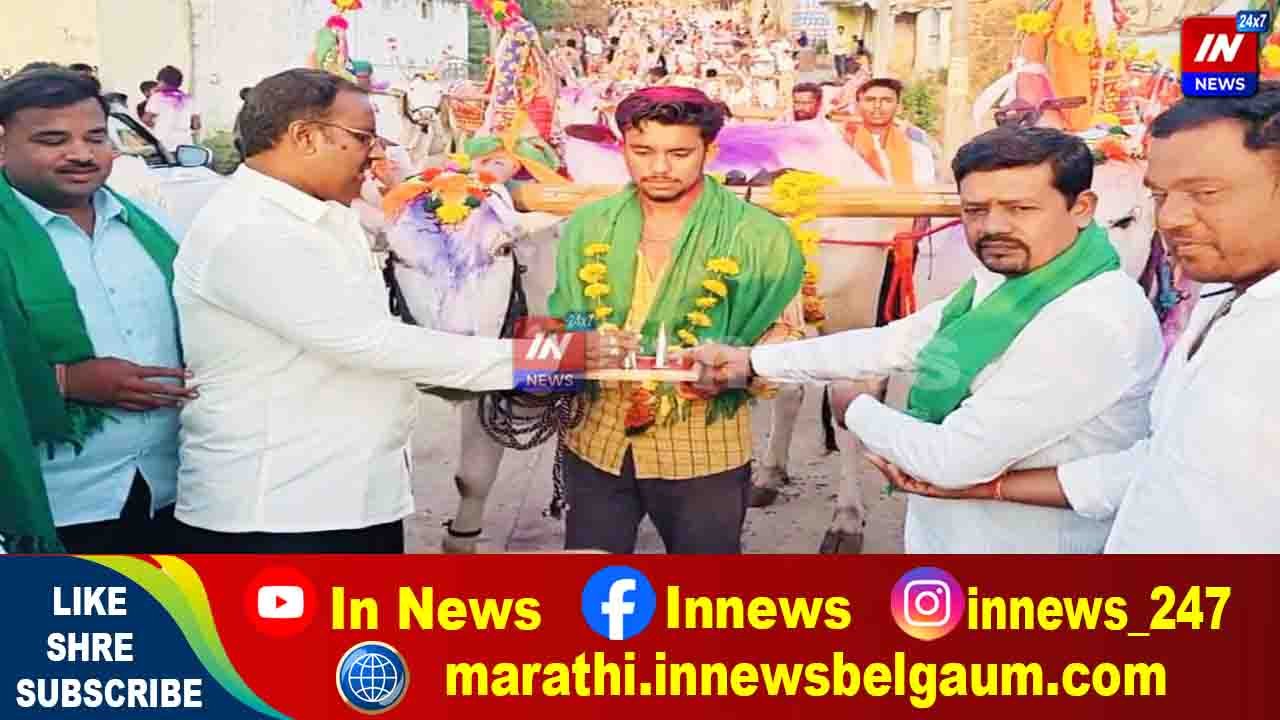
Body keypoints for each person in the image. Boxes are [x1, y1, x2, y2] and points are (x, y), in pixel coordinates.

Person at [171, 69, 628, 554]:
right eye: (362, 137)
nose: (376, 154)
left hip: (352, 497)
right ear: (304, 137)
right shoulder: (252, 229)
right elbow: (371, 343)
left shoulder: (327, 215)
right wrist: (550, 358)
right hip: (278, 512)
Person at [690, 126, 1164, 553]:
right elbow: (898, 341)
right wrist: (752, 361)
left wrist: (854, 407)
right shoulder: (1011, 282)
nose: (993, 227)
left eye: (1021, 209)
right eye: (975, 210)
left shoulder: (1089, 317)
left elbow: (952, 461)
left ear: (1082, 209)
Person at [868, 85, 1280, 553]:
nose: (1171, 219)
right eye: (1161, 196)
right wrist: (992, 488)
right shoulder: (1220, 299)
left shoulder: (1103, 317)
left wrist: (855, 405)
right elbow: (1162, 463)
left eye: (1205, 193)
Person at [547, 88, 806, 554]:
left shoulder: (760, 236)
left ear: (711, 151)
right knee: (591, 589)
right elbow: (569, 315)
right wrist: (577, 346)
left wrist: (739, 369)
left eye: (679, 153)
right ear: (622, 148)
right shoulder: (588, 225)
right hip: (597, 443)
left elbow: (788, 337)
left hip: (703, 449)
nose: (659, 167)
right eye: (642, 151)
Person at [0, 69, 194, 553]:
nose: (82, 154)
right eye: (52, 140)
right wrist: (65, 382)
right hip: (53, 501)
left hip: (173, 488)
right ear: (2, 146)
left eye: (95, 137)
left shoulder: (150, 226)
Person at [843, 78, 935, 185]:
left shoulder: (919, 153)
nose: (877, 106)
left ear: (899, 108)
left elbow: (924, 191)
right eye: (870, 100)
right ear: (858, 106)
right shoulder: (844, 149)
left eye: (886, 100)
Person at [143, 65, 201, 150]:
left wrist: (159, 127)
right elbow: (196, 125)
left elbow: (146, 119)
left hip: (164, 144)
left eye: (158, 82)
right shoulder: (189, 99)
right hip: (185, 144)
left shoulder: (157, 97)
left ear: (162, 81)